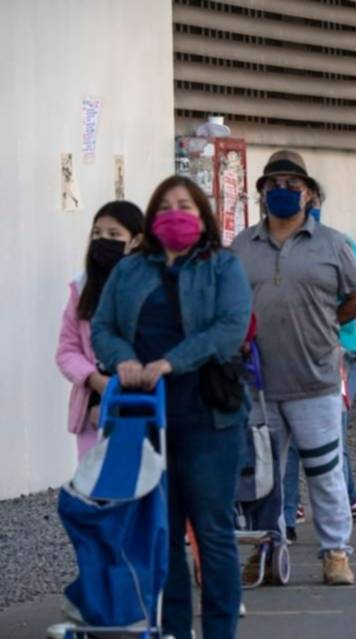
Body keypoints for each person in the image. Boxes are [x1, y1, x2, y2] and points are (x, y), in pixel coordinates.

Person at [91, 176, 253, 638]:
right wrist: (123, 359)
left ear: (202, 215)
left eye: (185, 205)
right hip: (147, 418)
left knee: (212, 532)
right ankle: (174, 630)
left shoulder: (223, 265)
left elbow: (231, 327)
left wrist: (171, 362)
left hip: (209, 416)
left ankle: (219, 631)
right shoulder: (130, 270)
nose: (174, 214)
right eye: (164, 206)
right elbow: (102, 326)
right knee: (162, 535)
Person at [233, 150, 356, 586]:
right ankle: (267, 549)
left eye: (292, 184)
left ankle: (336, 553)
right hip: (259, 385)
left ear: (309, 193)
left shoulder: (332, 243)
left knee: (325, 473)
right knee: (264, 478)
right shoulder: (241, 246)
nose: (283, 191)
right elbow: (229, 303)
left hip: (316, 380)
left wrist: (329, 324)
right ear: (261, 194)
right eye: (273, 184)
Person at [56, 201, 144, 460]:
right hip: (93, 412)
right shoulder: (82, 288)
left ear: (136, 240)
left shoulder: (150, 286)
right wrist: (94, 381)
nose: (102, 240)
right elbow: (67, 350)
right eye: (97, 233)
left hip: (143, 405)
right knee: (95, 481)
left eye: (114, 234)